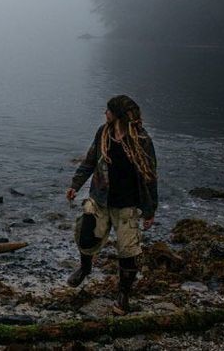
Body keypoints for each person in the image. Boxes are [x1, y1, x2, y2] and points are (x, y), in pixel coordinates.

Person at [65, 95, 158, 316]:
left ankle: (123, 296)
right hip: (100, 198)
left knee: (128, 251)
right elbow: (89, 160)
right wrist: (75, 185)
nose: (104, 113)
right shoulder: (103, 133)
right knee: (86, 234)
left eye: (107, 110)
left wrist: (150, 210)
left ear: (118, 115)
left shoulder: (142, 140)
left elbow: (150, 176)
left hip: (127, 205)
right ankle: (85, 267)